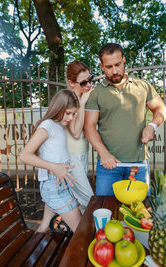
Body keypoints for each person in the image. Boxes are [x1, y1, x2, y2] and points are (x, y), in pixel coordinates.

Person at [84, 43, 166, 196]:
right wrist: (104, 154)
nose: (114, 71)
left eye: (118, 64)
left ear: (124, 61)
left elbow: (160, 109)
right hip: (108, 165)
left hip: (139, 164)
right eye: (109, 67)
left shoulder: (143, 86)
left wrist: (152, 126)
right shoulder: (96, 94)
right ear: (101, 67)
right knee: (107, 210)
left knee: (140, 212)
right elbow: (89, 126)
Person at [19, 89, 81, 232]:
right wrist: (55, 167)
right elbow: (25, 156)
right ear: (58, 108)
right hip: (54, 185)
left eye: (73, 114)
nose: (71, 117)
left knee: (44, 227)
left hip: (60, 183)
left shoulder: (58, 126)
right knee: (80, 230)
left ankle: (33, 251)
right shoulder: (47, 125)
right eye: (68, 113)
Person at [65, 60, 95, 213]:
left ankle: (79, 233)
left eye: (90, 79)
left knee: (79, 201)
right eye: (83, 82)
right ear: (71, 83)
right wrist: (82, 103)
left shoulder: (84, 95)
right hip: (72, 156)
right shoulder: (69, 99)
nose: (89, 84)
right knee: (89, 200)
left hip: (82, 152)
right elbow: (75, 133)